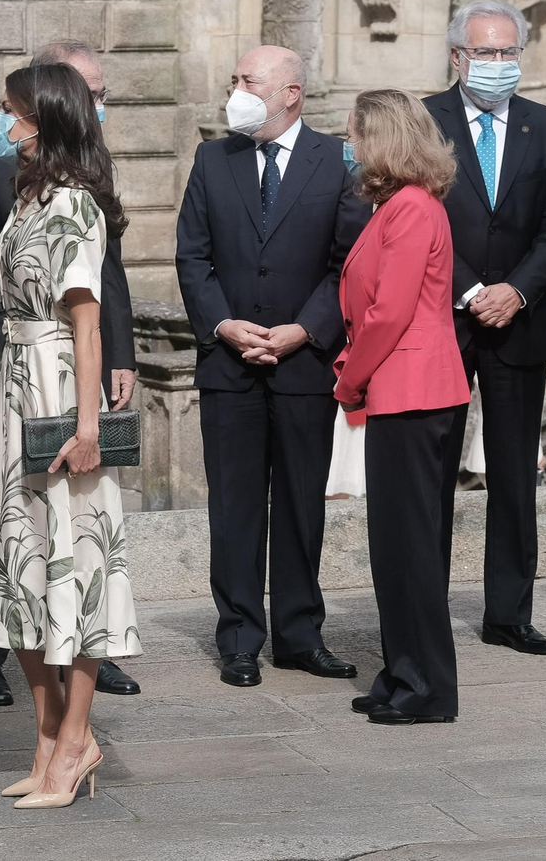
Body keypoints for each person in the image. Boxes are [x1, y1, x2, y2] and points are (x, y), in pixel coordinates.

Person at [0, 62, 140, 810]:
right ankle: (48, 734)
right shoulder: (26, 196)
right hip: (14, 386)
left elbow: (88, 325)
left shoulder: (76, 206)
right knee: (15, 564)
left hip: (59, 387)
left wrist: (89, 426)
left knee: (71, 558)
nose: (7, 125)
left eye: (15, 113)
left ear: (47, 118)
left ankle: (75, 741)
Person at [175, 45, 371, 688]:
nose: (236, 89)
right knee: (233, 506)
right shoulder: (213, 158)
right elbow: (192, 257)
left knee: (298, 504)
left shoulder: (335, 162)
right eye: (235, 79)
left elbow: (347, 264)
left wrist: (304, 330)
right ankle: (238, 637)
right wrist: (224, 325)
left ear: (291, 92)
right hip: (228, 366)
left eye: (248, 80)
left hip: (303, 367)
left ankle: (298, 634)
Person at [425, 0, 546, 656]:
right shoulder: (424, 120)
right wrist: (468, 288)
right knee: (432, 472)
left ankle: (510, 612)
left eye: (507, 52)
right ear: (458, 56)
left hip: (519, 321)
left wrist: (515, 289)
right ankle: (423, 609)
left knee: (515, 473)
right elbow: (412, 216)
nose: (497, 64)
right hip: (440, 320)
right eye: (484, 52)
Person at [335, 88, 470, 725]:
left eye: (356, 134)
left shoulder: (412, 208)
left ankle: (428, 685)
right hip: (400, 388)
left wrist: (349, 379)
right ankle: (400, 670)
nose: (351, 146)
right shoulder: (397, 206)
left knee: (412, 544)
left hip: (411, 388)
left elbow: (389, 312)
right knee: (393, 543)